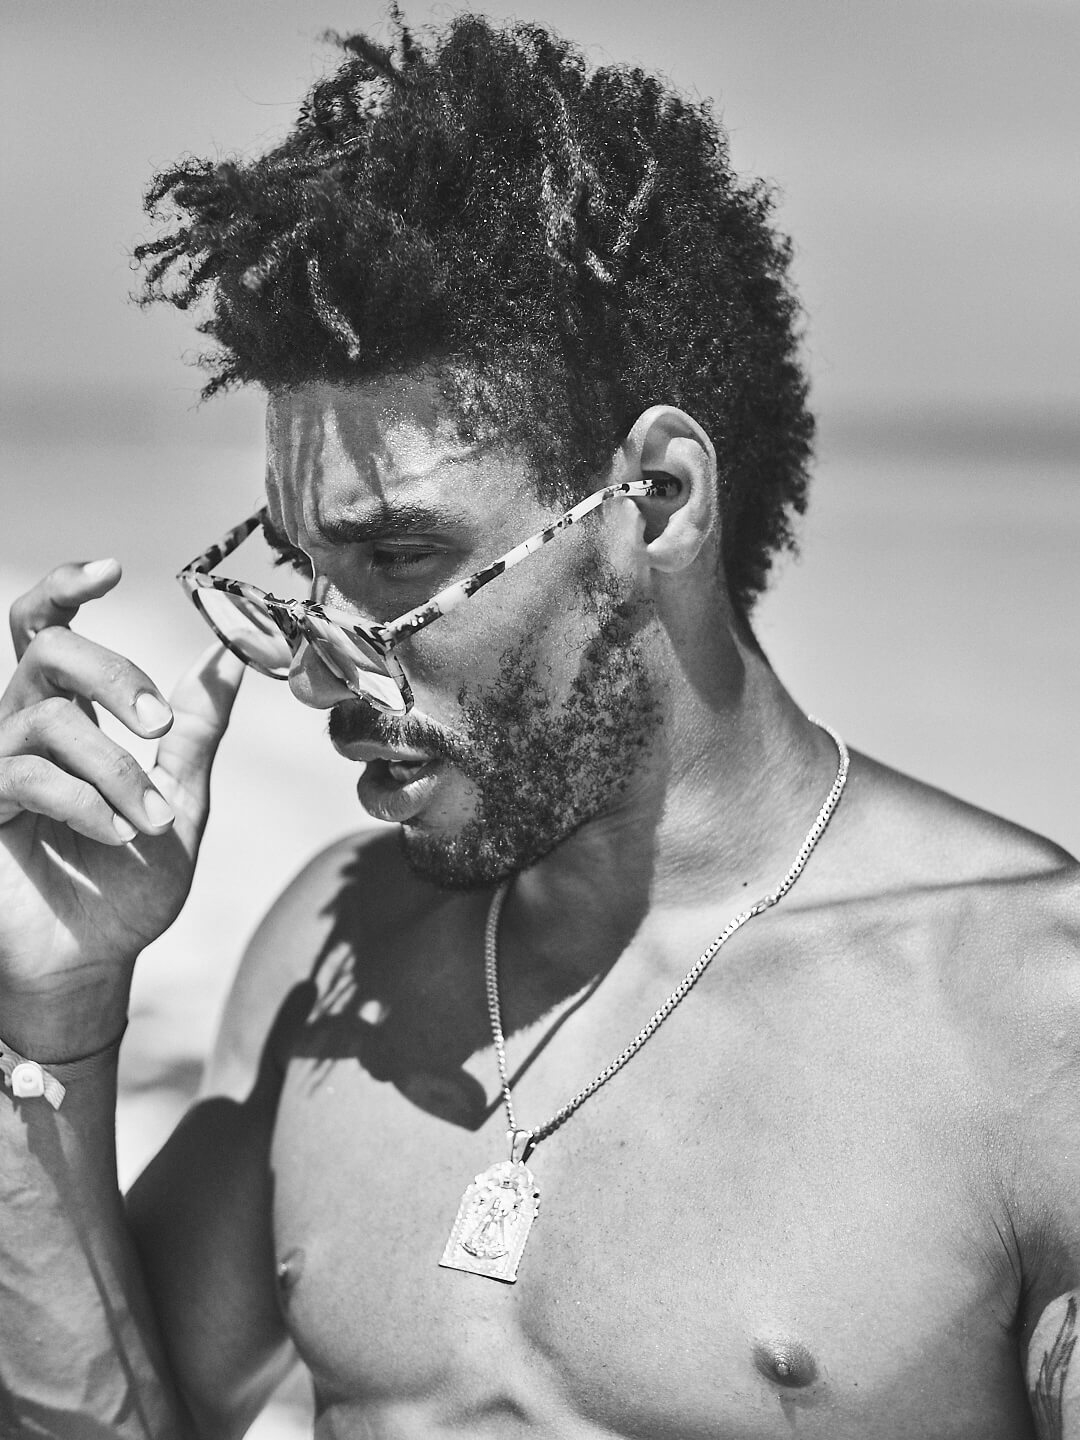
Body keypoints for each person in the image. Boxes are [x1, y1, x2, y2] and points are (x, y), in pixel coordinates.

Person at [1, 13, 1077, 1438]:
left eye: (397, 566)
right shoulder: (337, 958)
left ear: (658, 503)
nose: (326, 670)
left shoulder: (1025, 1025)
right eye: (300, 575)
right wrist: (56, 1017)